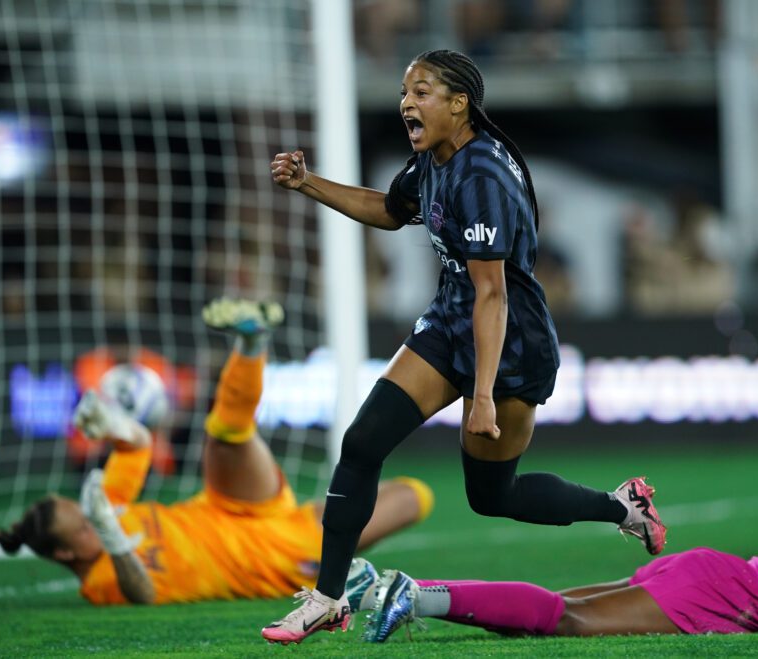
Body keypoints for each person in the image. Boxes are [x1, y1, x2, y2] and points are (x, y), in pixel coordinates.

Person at [264, 49, 665, 644]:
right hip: (454, 321)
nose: (407, 102)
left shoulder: (482, 178)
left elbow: (494, 296)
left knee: (491, 496)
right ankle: (328, 597)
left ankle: (623, 507)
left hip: (510, 347)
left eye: (421, 91)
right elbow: (390, 209)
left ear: (459, 104)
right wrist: (309, 183)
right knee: (362, 441)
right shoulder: (434, 159)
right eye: (405, 91)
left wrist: (480, 395)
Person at [0, 298, 433, 606]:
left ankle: (250, 345)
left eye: (88, 515)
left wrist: (115, 426)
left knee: (225, 433)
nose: (95, 518)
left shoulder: (103, 504)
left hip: (228, 504)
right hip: (273, 556)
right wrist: (113, 538)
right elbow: (143, 593)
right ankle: (314, 518)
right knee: (417, 495)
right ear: (68, 555)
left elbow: (138, 447)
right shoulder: (101, 581)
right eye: (86, 529)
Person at [359, 452, 758, 642]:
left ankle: (408, 592)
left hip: (718, 576)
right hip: (726, 593)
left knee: (556, 608)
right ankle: (414, 593)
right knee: (569, 619)